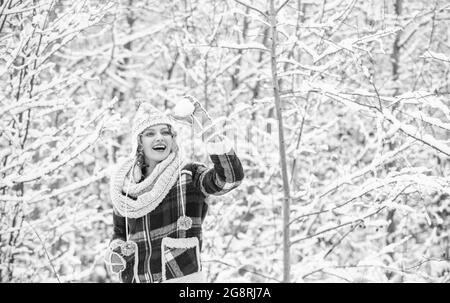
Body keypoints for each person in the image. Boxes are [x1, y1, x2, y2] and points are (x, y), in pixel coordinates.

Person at [104, 97, 244, 283]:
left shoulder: (189, 175)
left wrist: (209, 133)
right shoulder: (125, 187)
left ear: (173, 139)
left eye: (165, 132)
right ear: (139, 143)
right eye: (150, 133)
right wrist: (118, 250)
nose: (160, 137)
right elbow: (119, 233)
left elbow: (230, 179)